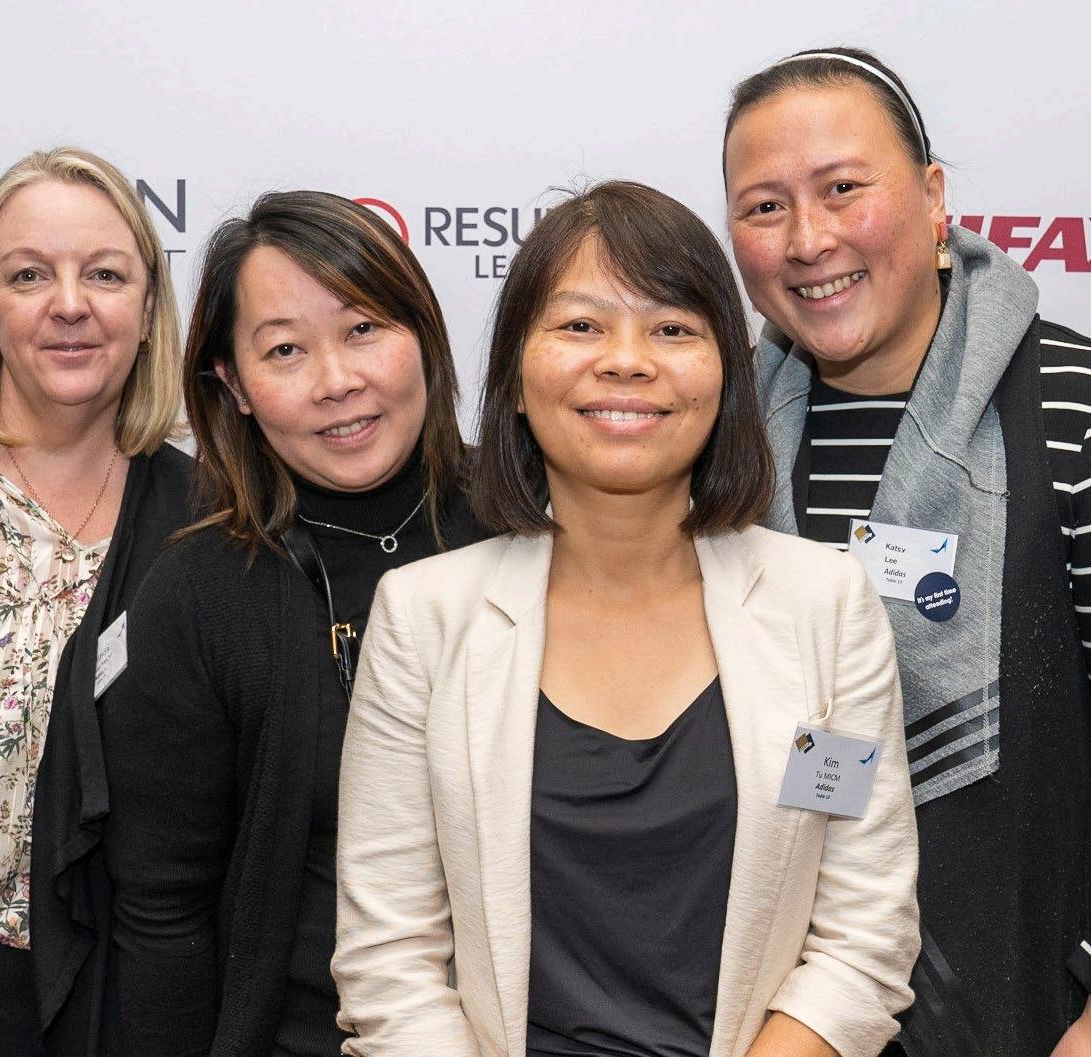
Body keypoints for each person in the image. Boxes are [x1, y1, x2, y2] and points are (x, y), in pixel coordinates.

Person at [333, 180, 920, 1057]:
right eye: (580, 325)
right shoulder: (424, 618)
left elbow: (864, 933)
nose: (626, 360)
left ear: (724, 377)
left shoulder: (824, 608)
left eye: (672, 328)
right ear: (515, 378)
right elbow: (388, 958)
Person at [723, 46, 1091, 1057]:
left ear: (932, 199)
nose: (808, 239)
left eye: (842, 189)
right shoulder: (717, 444)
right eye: (763, 207)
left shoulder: (1070, 408)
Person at [101, 189, 483, 1057]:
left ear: (424, 332)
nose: (336, 380)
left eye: (363, 328)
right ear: (234, 385)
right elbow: (161, 908)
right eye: (285, 349)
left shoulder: (536, 522)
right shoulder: (199, 593)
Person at [0, 147, 190, 1057]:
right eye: (30, 275)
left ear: (148, 308)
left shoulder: (207, 526)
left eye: (105, 274)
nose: (69, 304)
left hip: (98, 1008)